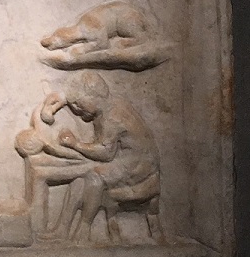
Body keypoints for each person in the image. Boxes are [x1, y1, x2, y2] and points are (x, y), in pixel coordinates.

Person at [47, 71, 163, 243]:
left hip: (139, 169)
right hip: (126, 161)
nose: (76, 109)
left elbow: (105, 153)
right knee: (78, 180)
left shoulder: (113, 117)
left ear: (93, 97)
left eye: (78, 103)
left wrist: (75, 144)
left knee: (94, 176)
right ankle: (62, 230)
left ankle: (83, 230)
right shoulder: (111, 105)